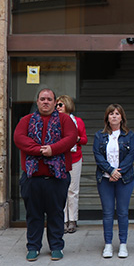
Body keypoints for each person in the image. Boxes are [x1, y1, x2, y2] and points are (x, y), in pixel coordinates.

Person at [13, 87, 78, 262]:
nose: (46, 102)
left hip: (57, 177)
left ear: (55, 102)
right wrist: (41, 150)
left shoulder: (65, 120)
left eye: (49, 99)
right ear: (37, 101)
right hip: (32, 178)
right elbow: (19, 138)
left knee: (56, 213)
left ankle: (56, 247)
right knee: (33, 215)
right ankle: (33, 247)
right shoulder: (26, 120)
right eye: (42, 99)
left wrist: (53, 149)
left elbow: (71, 138)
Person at [93, 104, 134, 258]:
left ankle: (123, 244)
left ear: (122, 117)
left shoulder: (129, 135)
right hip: (105, 179)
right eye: (111, 114)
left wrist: (118, 172)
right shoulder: (99, 135)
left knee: (123, 212)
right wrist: (110, 171)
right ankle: (108, 245)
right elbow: (98, 155)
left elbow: (131, 156)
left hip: (125, 180)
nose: (114, 116)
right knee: (108, 213)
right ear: (107, 117)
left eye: (117, 114)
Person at [57, 95, 87, 234]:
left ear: (67, 105)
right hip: (59, 158)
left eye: (60, 105)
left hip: (75, 158)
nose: (57, 107)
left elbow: (85, 140)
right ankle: (62, 220)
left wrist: (77, 138)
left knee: (73, 190)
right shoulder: (55, 121)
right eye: (57, 105)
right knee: (60, 190)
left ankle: (72, 219)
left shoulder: (78, 121)